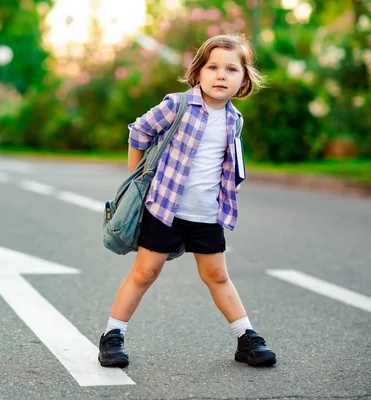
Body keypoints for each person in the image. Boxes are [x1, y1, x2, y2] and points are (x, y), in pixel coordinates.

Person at [98, 33, 276, 368]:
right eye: (213, 67)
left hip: (207, 214)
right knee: (145, 272)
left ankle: (246, 338)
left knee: (217, 275)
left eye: (231, 69)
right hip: (165, 208)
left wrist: (232, 182)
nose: (221, 75)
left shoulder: (234, 119)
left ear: (244, 80)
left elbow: (226, 160)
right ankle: (112, 335)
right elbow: (138, 132)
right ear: (198, 73)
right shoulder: (177, 105)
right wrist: (139, 180)